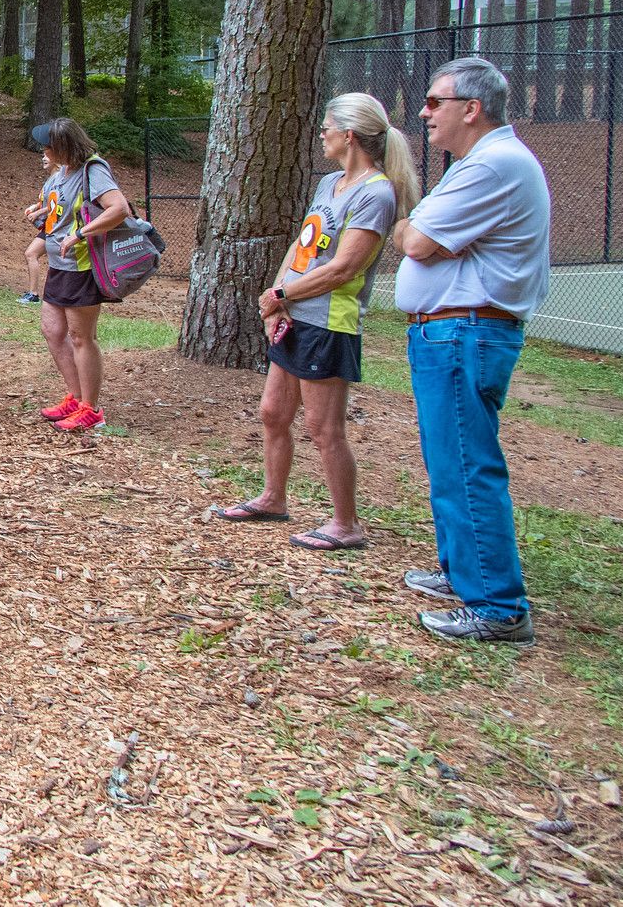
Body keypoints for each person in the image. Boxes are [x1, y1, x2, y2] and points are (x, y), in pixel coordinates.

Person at [392, 57, 551, 647]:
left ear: (472, 109)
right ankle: (464, 571)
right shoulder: (476, 164)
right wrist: (414, 232)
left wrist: (413, 231)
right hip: (449, 332)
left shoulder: (494, 165)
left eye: (435, 102)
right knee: (449, 459)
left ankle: (498, 606)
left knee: (466, 463)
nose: (426, 112)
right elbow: (417, 237)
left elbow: (420, 241)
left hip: (466, 332)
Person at [214, 93, 417, 552]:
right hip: (296, 314)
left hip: (329, 323)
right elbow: (302, 247)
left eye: (326, 126)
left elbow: (345, 268)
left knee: (324, 430)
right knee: (273, 413)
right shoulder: (330, 184)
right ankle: (272, 498)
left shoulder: (376, 193)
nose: (320, 133)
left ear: (349, 134)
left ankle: (346, 524)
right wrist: (276, 300)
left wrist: (283, 294)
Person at [33, 118, 130, 432]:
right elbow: (60, 207)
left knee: (80, 337)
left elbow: (119, 208)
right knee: (52, 330)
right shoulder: (63, 172)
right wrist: (40, 213)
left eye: (49, 145)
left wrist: (81, 234)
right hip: (58, 266)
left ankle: (92, 409)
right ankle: (75, 398)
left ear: (64, 146)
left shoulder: (93, 169)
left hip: (81, 267)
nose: (45, 151)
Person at [17, 149, 52, 305]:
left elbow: (58, 204)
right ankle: (34, 293)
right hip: (49, 227)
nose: (43, 158)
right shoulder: (51, 179)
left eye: (46, 156)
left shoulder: (59, 178)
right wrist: (35, 206)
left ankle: (34, 294)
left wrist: (39, 213)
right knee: (33, 254)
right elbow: (46, 201)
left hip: (56, 227)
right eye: (43, 156)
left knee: (31, 253)